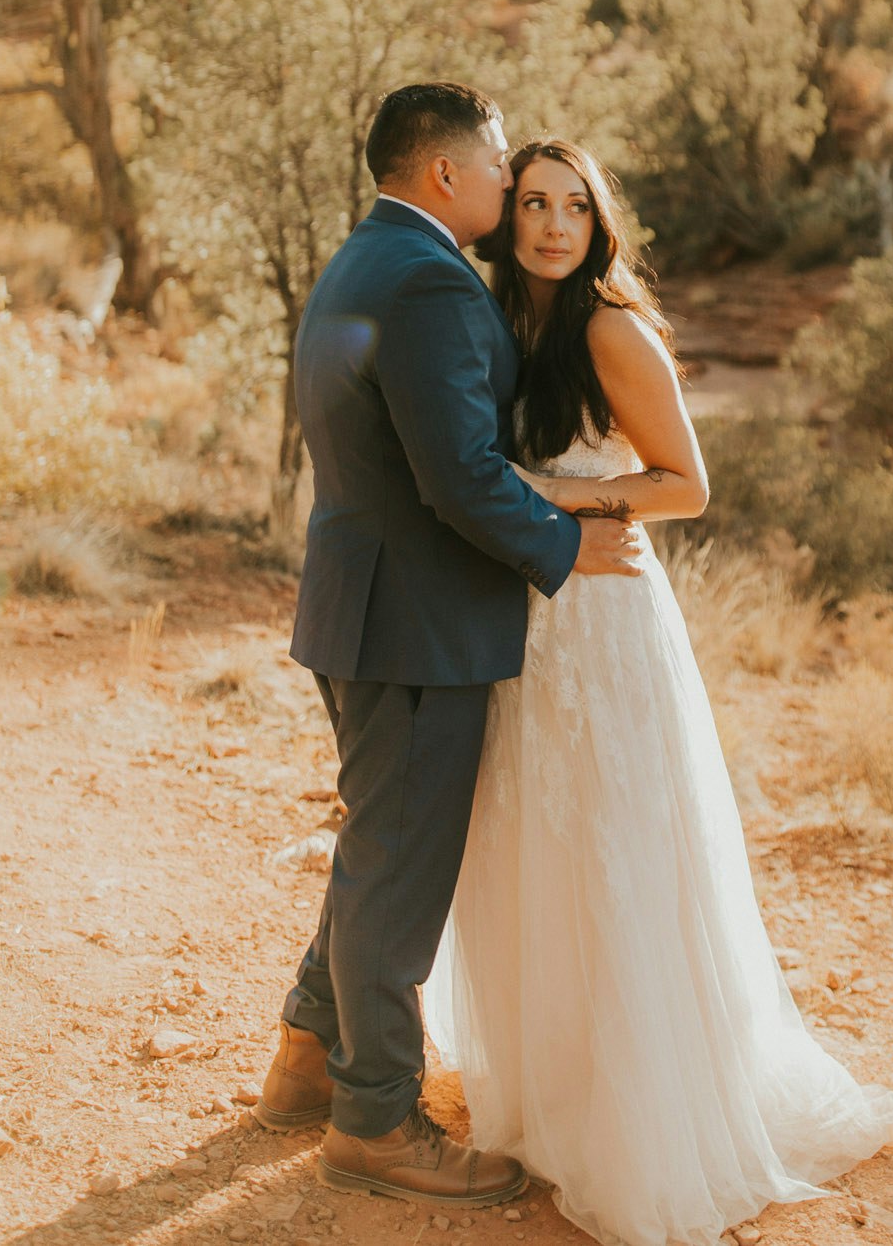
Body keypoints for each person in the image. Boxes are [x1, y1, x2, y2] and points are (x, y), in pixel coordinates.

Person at [425, 137, 893, 1246]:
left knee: (616, 851)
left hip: (603, 626)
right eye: (535, 204)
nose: (553, 226)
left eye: (575, 208)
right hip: (527, 623)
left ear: (602, 225)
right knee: (533, 848)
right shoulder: (505, 323)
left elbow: (688, 486)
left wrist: (540, 493)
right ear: (508, 218)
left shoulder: (609, 327)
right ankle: (554, 1097)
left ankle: (638, 1126)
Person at [255, 85, 646, 1212]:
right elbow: (458, 477)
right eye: (491, 166)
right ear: (444, 176)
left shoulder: (367, 258)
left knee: (382, 841)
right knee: (400, 863)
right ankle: (374, 1117)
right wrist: (567, 545)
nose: (501, 181)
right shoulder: (427, 280)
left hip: (369, 607)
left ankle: (305, 1058)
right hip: (416, 624)